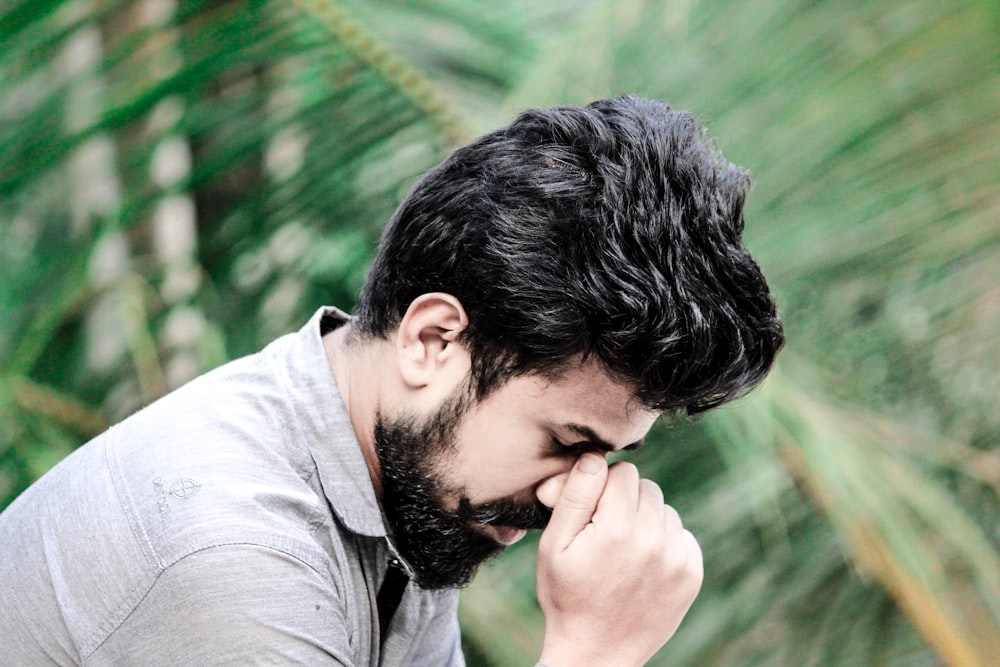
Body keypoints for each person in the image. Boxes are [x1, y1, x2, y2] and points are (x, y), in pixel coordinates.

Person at [0, 96, 784, 666]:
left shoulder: (400, 482)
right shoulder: (233, 553)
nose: (565, 497)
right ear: (434, 340)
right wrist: (593, 650)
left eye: (606, 457)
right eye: (565, 442)